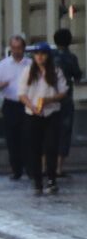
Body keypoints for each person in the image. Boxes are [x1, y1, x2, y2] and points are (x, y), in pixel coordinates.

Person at [19, 41, 68, 195]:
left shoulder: (56, 71)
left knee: (51, 146)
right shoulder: (28, 71)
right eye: (37, 54)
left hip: (51, 113)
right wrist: (31, 105)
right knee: (35, 148)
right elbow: (22, 93)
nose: (39, 57)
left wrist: (49, 100)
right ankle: (37, 181)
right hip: (33, 114)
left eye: (43, 54)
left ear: (48, 56)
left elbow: (63, 92)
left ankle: (52, 179)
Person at [0, 35, 30, 179]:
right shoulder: (3, 65)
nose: (16, 51)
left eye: (19, 48)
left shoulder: (30, 64)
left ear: (24, 48)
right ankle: (16, 169)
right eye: (13, 48)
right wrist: (1, 85)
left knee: (28, 136)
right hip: (11, 104)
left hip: (27, 104)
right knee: (12, 138)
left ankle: (30, 168)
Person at [53, 29, 82, 178]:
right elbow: (77, 75)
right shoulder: (71, 58)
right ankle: (58, 167)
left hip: (49, 100)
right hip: (65, 99)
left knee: (49, 132)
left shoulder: (49, 57)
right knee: (64, 133)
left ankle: (46, 165)